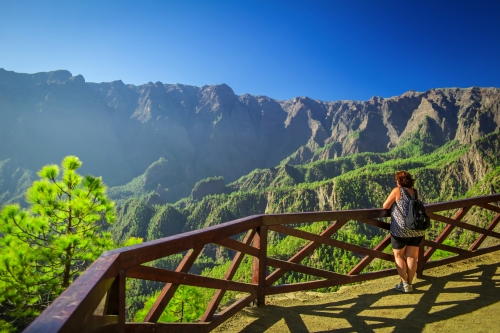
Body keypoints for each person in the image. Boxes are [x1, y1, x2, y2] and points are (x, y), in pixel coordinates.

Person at [383, 170, 425, 293]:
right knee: (412, 256)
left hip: (400, 230)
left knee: (399, 256)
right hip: (416, 229)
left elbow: (385, 206)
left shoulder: (397, 191)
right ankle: (410, 284)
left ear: (399, 181)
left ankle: (404, 284)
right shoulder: (415, 192)